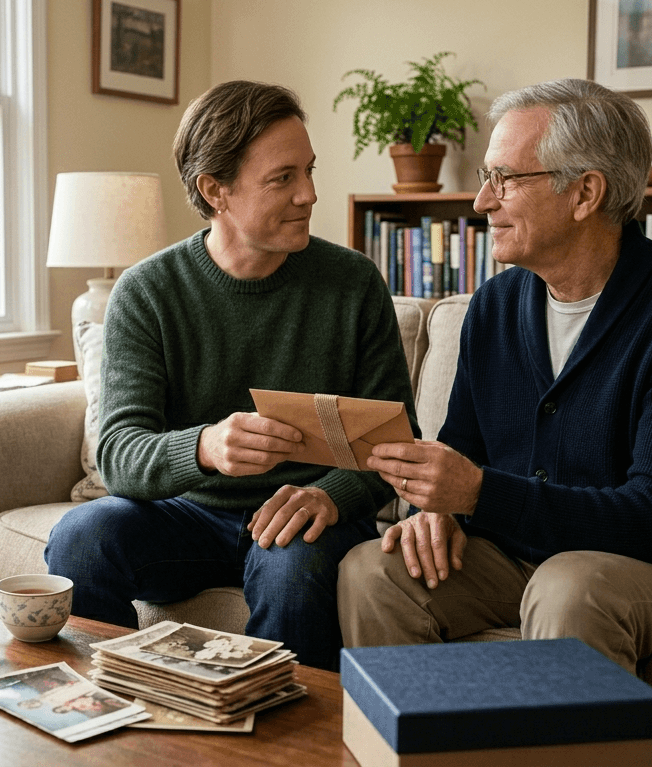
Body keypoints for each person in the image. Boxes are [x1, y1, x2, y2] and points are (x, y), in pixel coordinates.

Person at [337, 78, 652, 673]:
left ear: (585, 193)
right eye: (485, 178)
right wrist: (436, 510)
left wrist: (476, 493)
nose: (481, 202)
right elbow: (462, 448)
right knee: (372, 570)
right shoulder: (494, 306)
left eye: (505, 179)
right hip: (514, 557)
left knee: (568, 585)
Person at [44, 80, 417, 671]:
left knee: (295, 569)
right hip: (186, 515)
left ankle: (288, 754)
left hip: (302, 513)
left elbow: (397, 445)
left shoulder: (352, 283)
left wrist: (328, 494)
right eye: (283, 178)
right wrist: (207, 446)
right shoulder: (146, 292)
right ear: (214, 189)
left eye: (309, 171)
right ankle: (112, 715)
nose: (310, 194)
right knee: (82, 535)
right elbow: (118, 455)